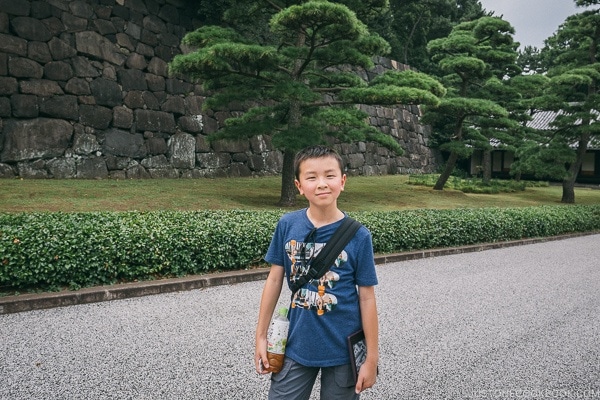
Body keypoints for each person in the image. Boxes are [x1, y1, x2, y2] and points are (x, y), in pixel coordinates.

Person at [255, 145, 379, 399]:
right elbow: (275, 279)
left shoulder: (359, 235)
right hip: (295, 344)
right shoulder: (287, 224)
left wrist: (371, 359)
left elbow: (367, 297)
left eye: (329, 175)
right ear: (299, 186)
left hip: (343, 349)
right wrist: (260, 337)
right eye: (311, 177)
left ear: (342, 181)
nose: (322, 183)